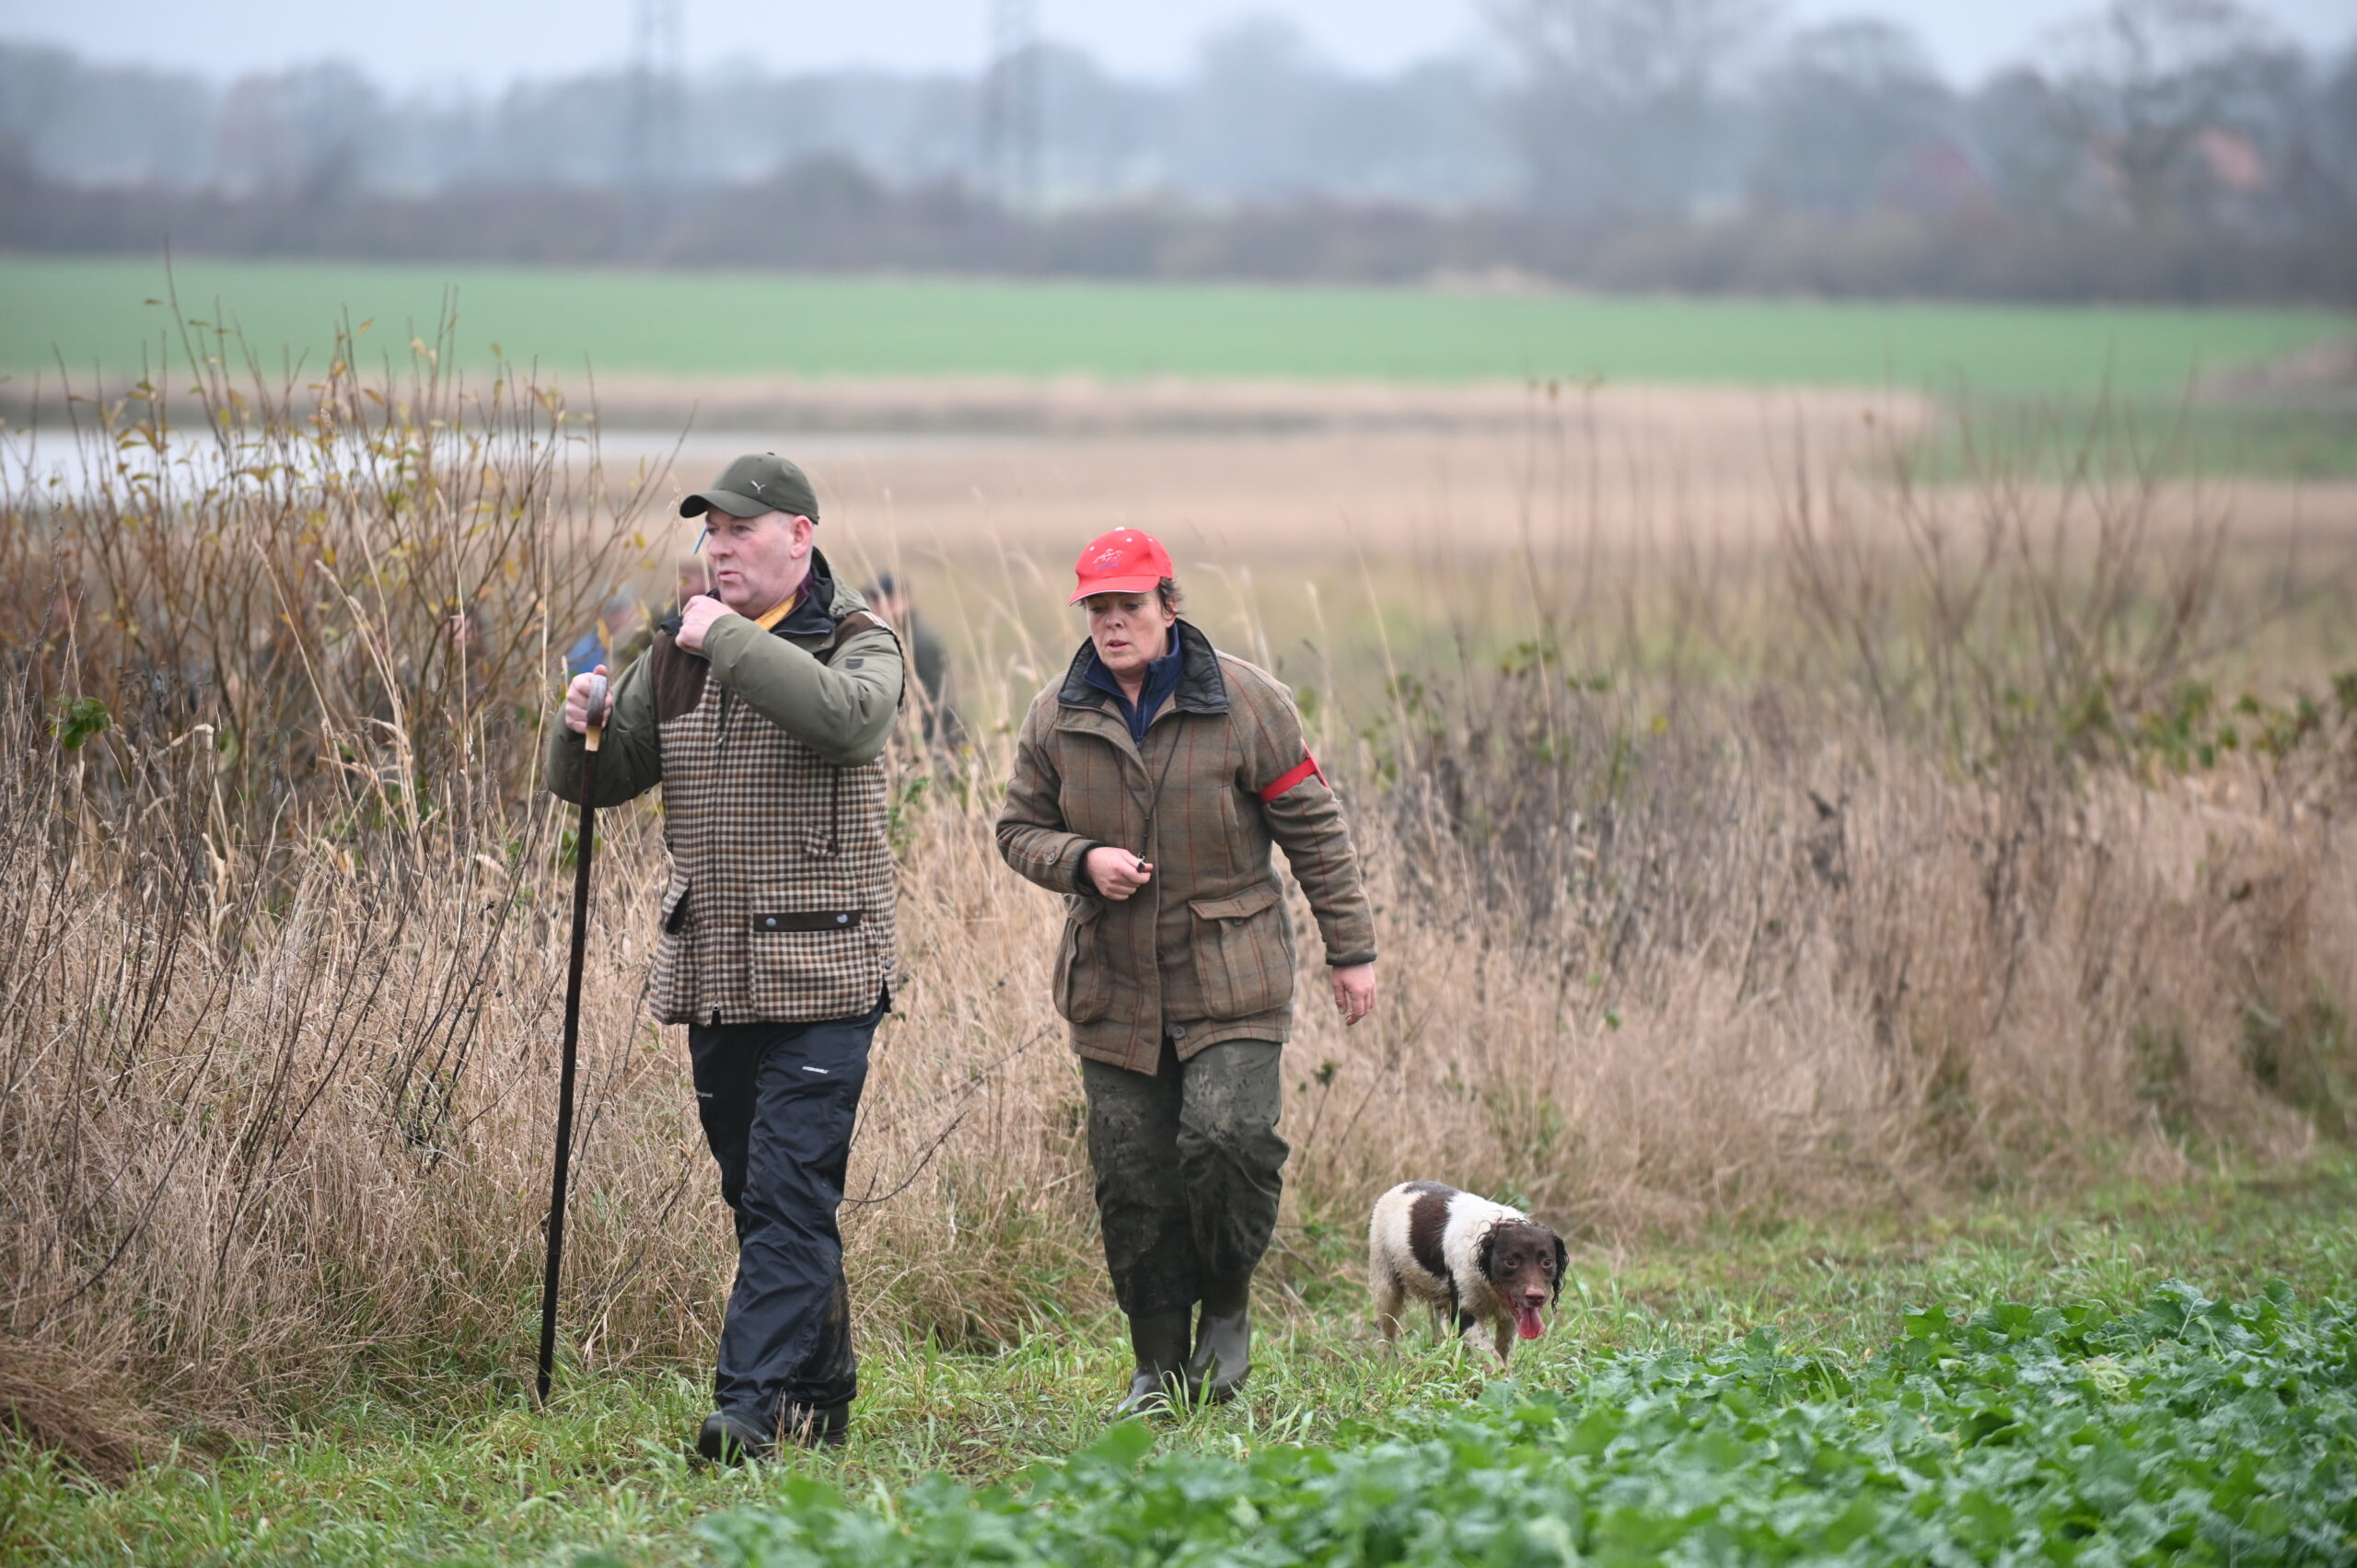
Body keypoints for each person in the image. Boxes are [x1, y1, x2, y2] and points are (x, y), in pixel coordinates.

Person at [545, 452, 903, 1462]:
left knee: (790, 1192)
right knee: (760, 1193)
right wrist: (575, 727)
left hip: (828, 974)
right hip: (713, 969)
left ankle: (747, 1408)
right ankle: (823, 1386)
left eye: (742, 530)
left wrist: (730, 637)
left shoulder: (857, 641)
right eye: (711, 531)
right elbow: (599, 781)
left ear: (801, 536)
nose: (720, 545)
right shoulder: (676, 653)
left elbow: (850, 724)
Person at [994, 528, 1377, 1413]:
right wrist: (1083, 858)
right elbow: (1017, 831)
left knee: (1226, 1143)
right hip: (1113, 985)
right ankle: (1156, 1367)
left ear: (1170, 604)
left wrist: (1350, 950)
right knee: (1132, 1177)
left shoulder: (1247, 701)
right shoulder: (1056, 712)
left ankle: (1229, 1309)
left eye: (1128, 605)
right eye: (1098, 607)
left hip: (1231, 973)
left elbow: (1313, 831)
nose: (1112, 623)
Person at [864, 573, 960, 748]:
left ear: (905, 600)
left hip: (929, 743)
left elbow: (934, 702)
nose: (879, 607)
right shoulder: (891, 636)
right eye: (874, 601)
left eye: (886, 601)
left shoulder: (918, 643)